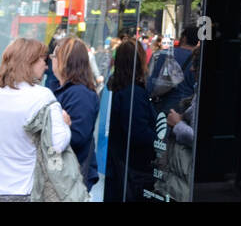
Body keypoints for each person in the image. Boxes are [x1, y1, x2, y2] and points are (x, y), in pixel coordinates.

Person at [0, 37, 72, 201]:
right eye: (42, 60)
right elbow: (57, 143)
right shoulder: (42, 96)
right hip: (23, 189)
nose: (46, 65)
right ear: (29, 61)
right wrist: (65, 124)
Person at [105, 39, 157, 202]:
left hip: (119, 165)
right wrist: (161, 138)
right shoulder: (133, 93)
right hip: (132, 168)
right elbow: (138, 133)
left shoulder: (117, 88)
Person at [52, 37, 101, 192]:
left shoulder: (80, 94)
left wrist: (56, 125)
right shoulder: (67, 90)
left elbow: (78, 137)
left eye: (54, 56)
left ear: (64, 60)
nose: (51, 59)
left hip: (70, 180)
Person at [147, 23, 200, 115]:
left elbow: (152, 82)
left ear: (184, 38)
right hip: (186, 109)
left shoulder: (164, 54)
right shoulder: (198, 59)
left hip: (164, 106)